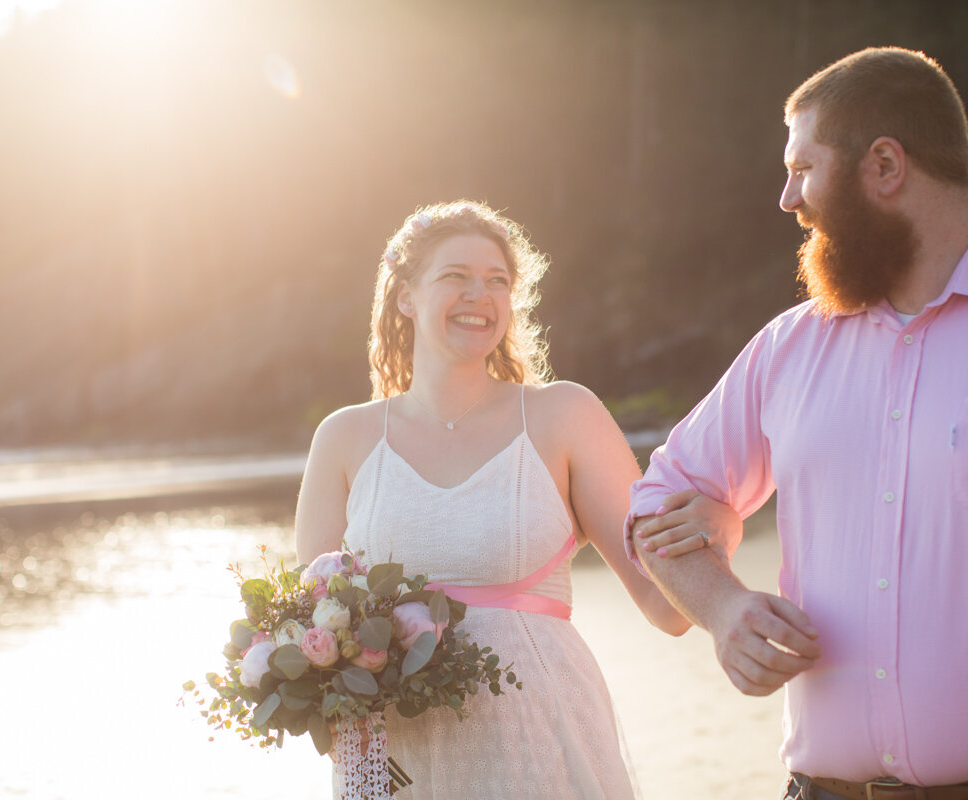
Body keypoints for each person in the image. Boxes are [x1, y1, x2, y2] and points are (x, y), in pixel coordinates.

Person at [629, 47, 968, 799]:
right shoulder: (787, 348)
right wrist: (724, 610)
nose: (787, 198)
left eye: (804, 168)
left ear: (884, 166)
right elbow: (658, 498)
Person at [294, 200, 725, 799]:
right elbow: (307, 629)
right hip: (395, 759)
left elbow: (665, 605)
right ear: (405, 297)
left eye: (498, 281)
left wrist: (715, 520)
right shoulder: (343, 438)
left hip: (538, 745)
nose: (481, 295)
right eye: (456, 277)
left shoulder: (564, 415)